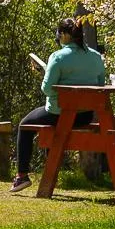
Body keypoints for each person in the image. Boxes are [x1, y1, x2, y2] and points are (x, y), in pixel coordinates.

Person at [10, 17, 107, 193]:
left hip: (59, 113)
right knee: (49, 125)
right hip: (85, 115)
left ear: (63, 35)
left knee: (24, 126)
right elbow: (100, 86)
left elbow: (47, 89)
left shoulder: (58, 57)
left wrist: (46, 74)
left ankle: (22, 176)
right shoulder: (95, 56)